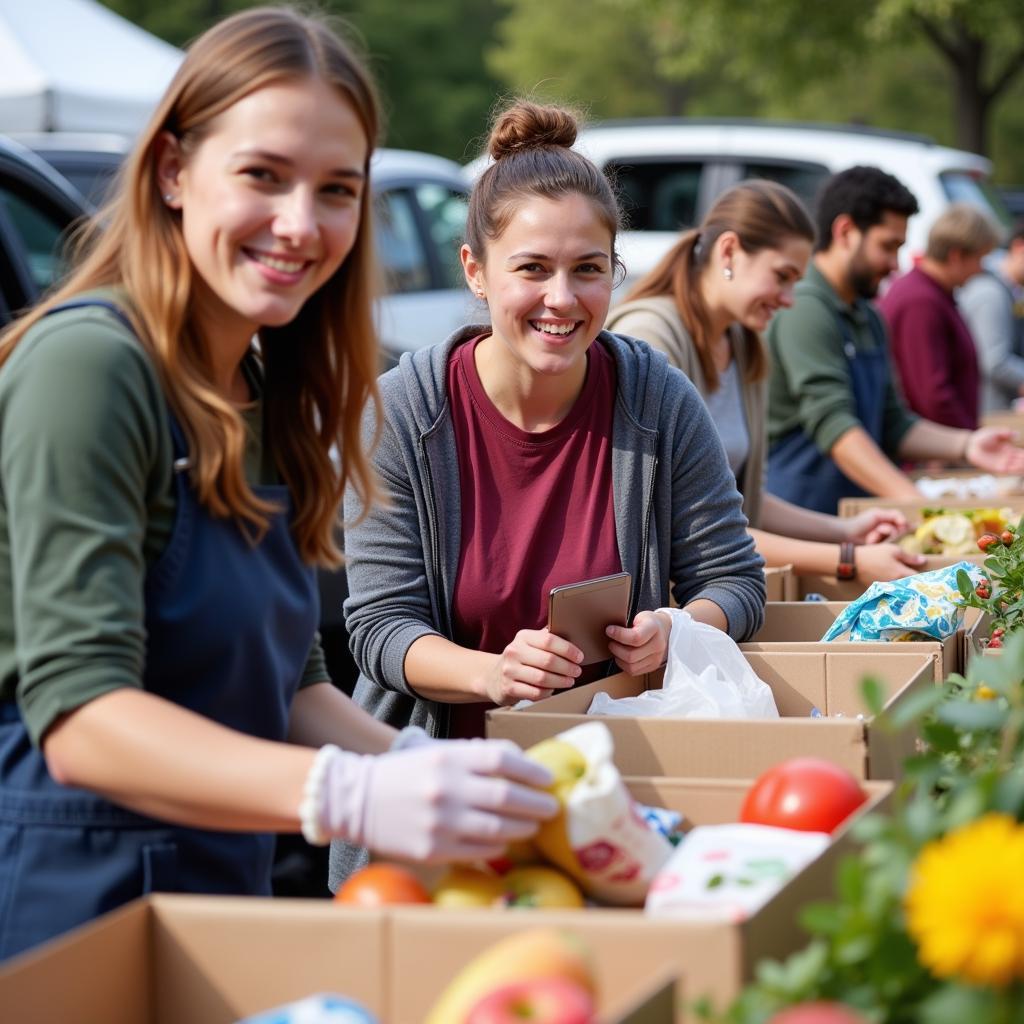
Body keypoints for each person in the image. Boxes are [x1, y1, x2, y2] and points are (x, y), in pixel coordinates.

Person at [0, 8, 558, 961]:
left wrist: (425, 765)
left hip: (213, 915)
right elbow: (82, 717)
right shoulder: (90, 368)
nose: (301, 225)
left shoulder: (264, 390)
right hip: (70, 925)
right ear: (174, 170)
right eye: (262, 175)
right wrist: (349, 796)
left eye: (337, 190)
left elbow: (291, 681)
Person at [334, 100, 766, 885]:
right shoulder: (401, 413)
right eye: (531, 269)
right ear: (476, 271)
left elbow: (736, 582)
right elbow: (377, 627)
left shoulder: (656, 397)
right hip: (439, 817)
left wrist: (677, 626)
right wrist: (489, 671)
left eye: (588, 270)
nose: (561, 300)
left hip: (611, 814)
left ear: (614, 273)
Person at [607, 181, 924, 585]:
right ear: (729, 251)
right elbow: (687, 530)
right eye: (782, 276)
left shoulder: (742, 342)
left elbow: (740, 505)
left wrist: (845, 530)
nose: (790, 298)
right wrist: (847, 557)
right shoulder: (651, 338)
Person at [765, 166, 1024, 515]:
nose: (894, 263)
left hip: (858, 514)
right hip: (806, 517)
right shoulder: (805, 309)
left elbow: (893, 422)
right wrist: (918, 507)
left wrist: (967, 445)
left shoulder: (868, 316)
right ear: (845, 232)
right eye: (888, 246)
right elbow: (836, 429)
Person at [879, 203, 1000, 429]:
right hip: (935, 453)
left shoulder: (933, 294)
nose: (980, 269)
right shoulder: (921, 302)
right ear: (956, 255)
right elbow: (931, 395)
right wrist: (966, 442)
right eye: (979, 259)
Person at [959, 219, 1024, 413]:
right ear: (1020, 247)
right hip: (988, 412)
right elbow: (995, 361)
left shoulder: (1003, 290)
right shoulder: (991, 293)